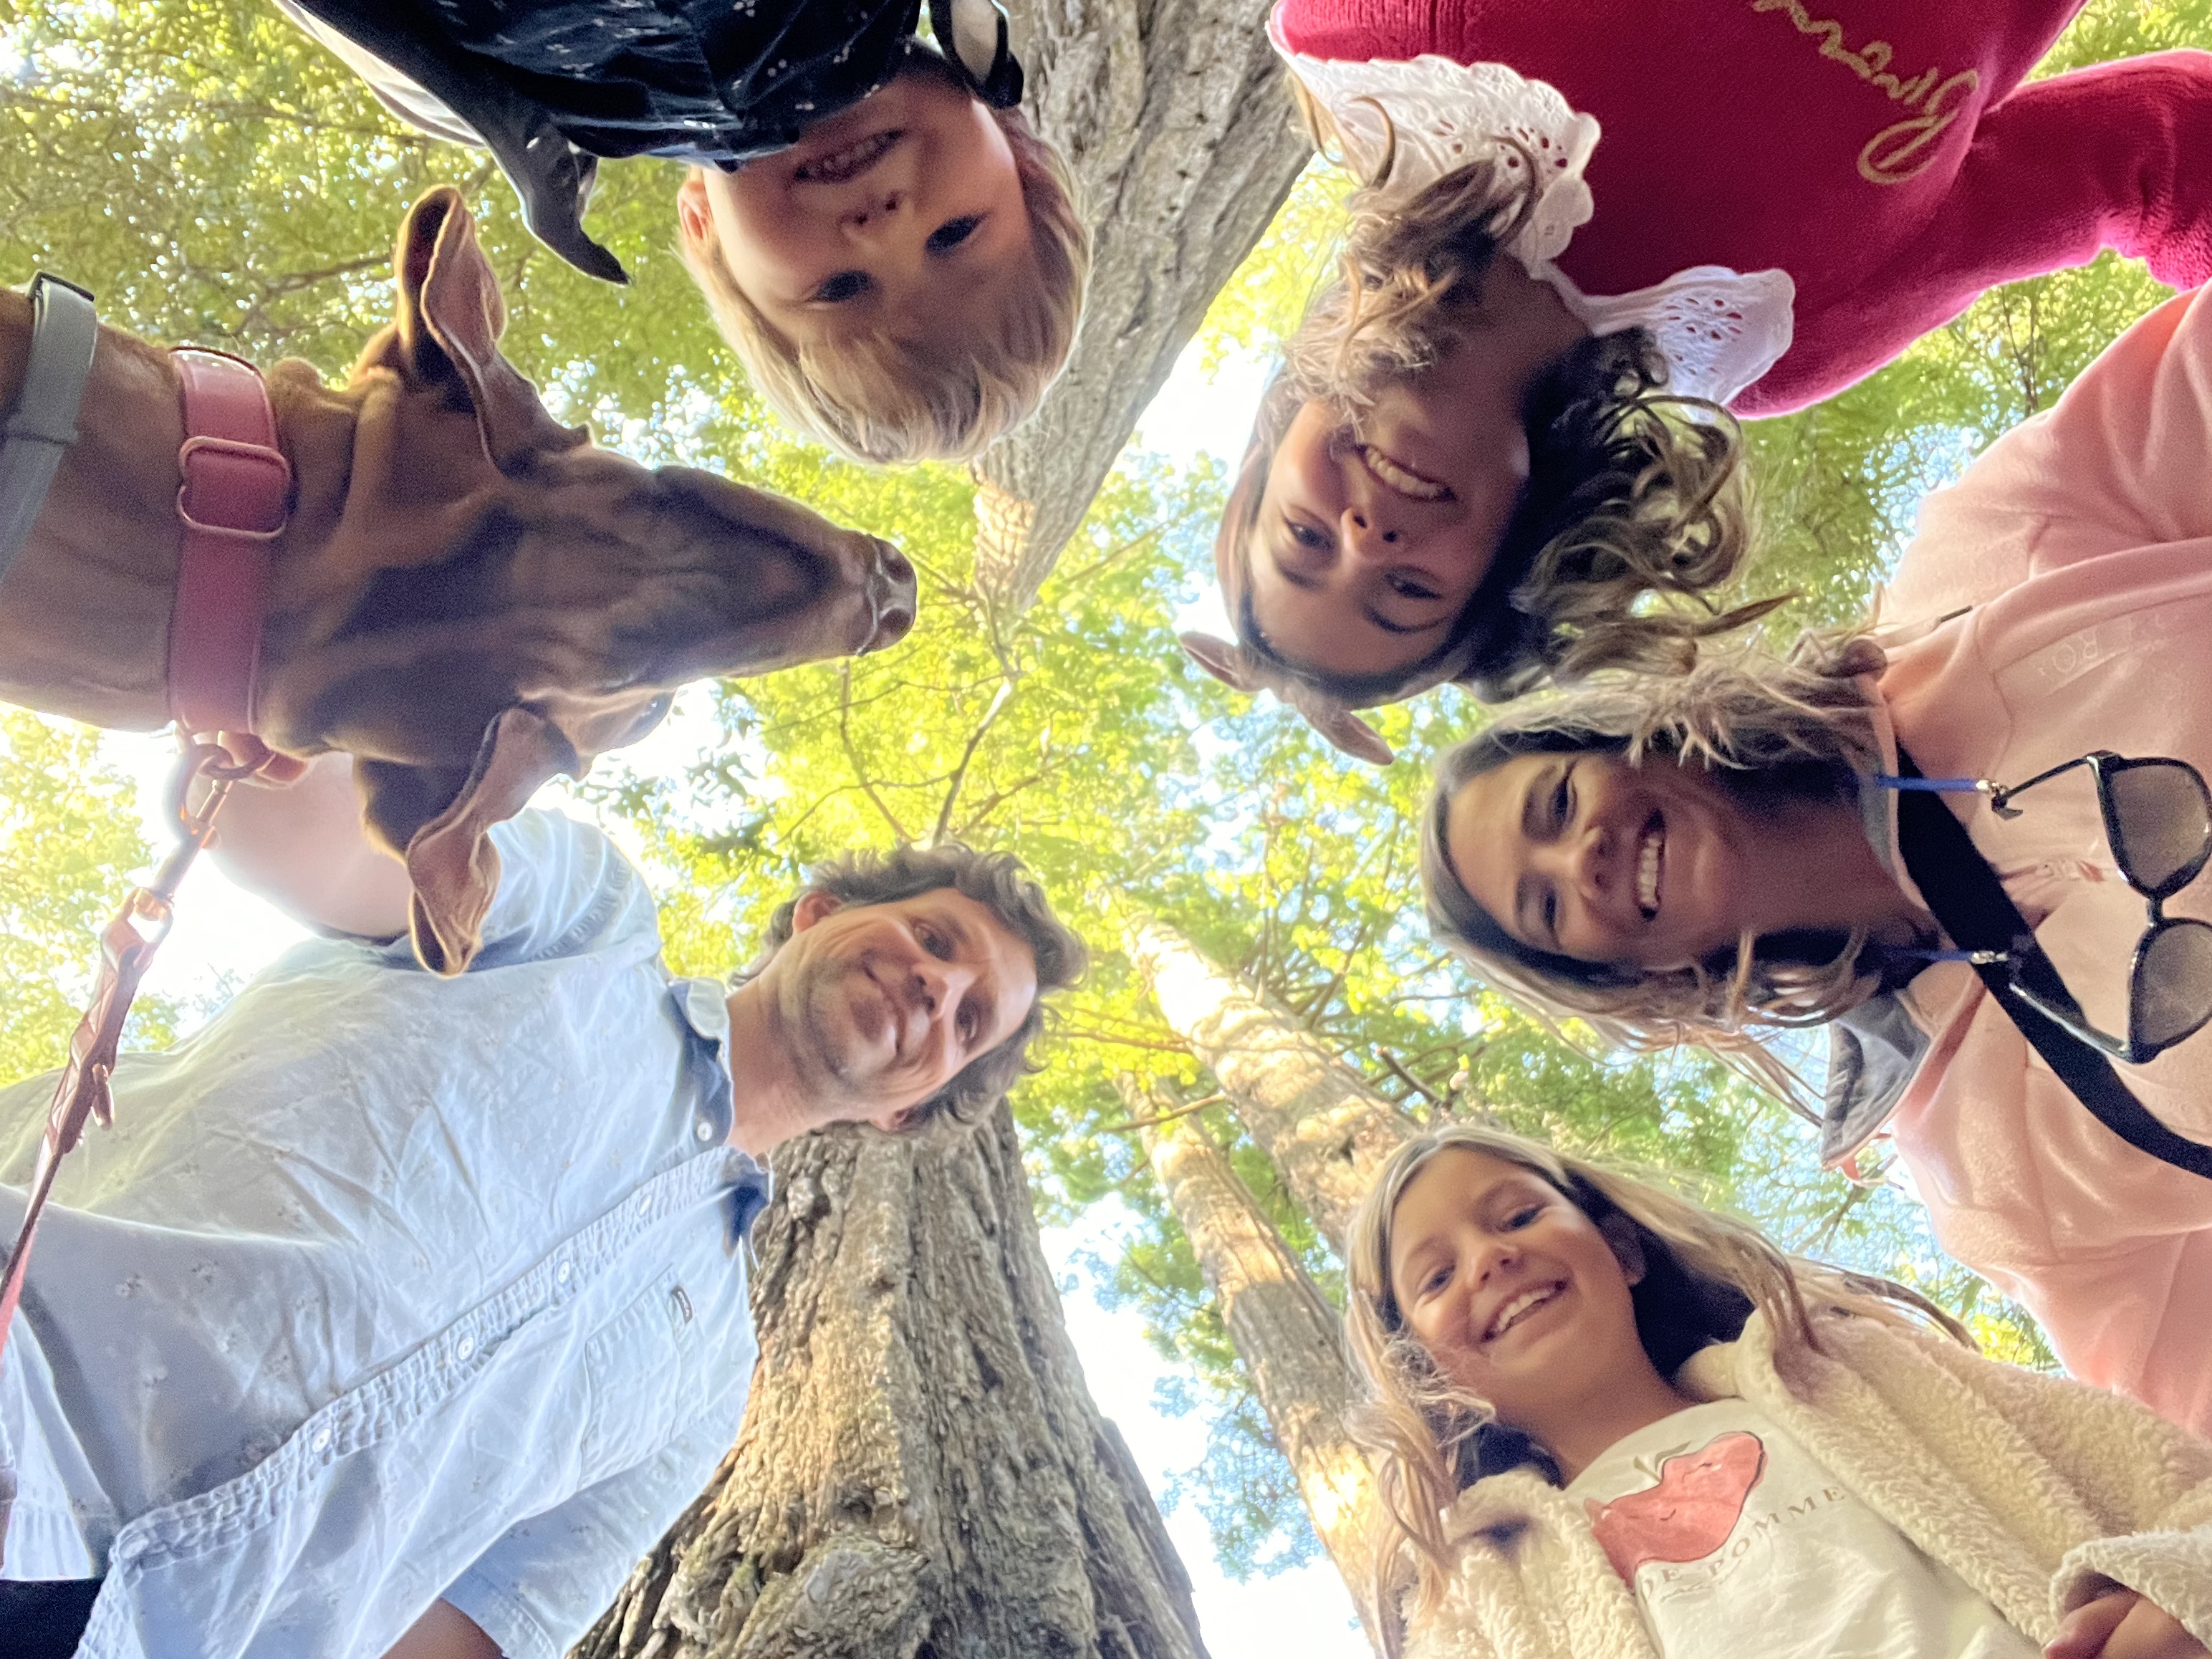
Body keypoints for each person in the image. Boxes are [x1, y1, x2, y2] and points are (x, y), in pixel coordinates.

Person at [0, 752, 1085, 1658]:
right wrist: (289, 703)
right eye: (936, 940)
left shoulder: (708, 1388)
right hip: (25, 1379)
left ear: (910, 1114)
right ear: (820, 913)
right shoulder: (588, 916)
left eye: (973, 1017)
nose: (939, 987)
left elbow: (473, 1630)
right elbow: (311, 835)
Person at [1416, 275, 2212, 1443]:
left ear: (1622, 730)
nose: (1578, 856)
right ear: (1625, 975)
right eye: (1543, 908)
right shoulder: (1987, 1174)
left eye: (1552, 800)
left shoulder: (1982, 569)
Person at [1186, 0, 2212, 758]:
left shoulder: (1365, 40)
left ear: (1276, 441)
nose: (1366, 540)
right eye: (1406, 590)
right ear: (1511, 556)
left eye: (1306, 538)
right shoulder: (1793, 336)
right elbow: (2153, 159)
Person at [1345, 1122, 2212, 1659]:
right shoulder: (1482, 1594)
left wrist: (2178, 1598)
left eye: (1518, 1215)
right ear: (1428, 1374)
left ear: (1622, 1250)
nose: (1490, 1258)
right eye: (1435, 1277)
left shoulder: (1856, 1372)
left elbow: (2169, 1484)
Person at [273, 0, 1092, 465]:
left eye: (841, 290)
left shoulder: (526, 120)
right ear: (1015, 146)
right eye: (954, 236)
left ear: (703, 226)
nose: (881, 232)